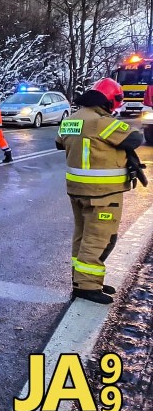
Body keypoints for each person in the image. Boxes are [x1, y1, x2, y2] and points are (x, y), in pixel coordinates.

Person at [55, 78, 144, 304]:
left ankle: (82, 279)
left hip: (77, 190)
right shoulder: (101, 122)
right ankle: (87, 286)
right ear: (109, 100)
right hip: (102, 194)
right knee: (99, 239)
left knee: (83, 237)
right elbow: (134, 137)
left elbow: (59, 142)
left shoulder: (72, 119)